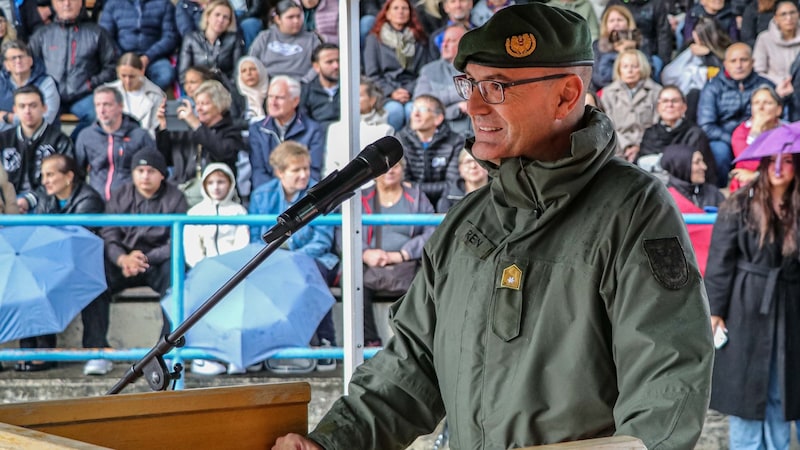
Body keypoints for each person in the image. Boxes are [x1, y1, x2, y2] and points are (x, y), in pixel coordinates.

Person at [273, 3, 713, 449]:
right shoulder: (467, 221)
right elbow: (409, 371)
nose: (473, 105)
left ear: (565, 95)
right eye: (470, 85)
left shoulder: (633, 210)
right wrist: (331, 442)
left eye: (498, 87)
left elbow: (666, 392)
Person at [705, 152, 800, 450]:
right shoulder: (739, 205)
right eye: (773, 160)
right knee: (746, 390)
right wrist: (715, 312)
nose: (779, 167)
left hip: (790, 307)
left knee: (780, 389)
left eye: (787, 160)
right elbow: (720, 261)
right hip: (746, 305)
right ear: (762, 164)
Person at [94, 148, 188, 376]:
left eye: (151, 171)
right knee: (95, 279)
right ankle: (96, 351)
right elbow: (109, 233)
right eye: (140, 170)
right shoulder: (119, 195)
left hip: (156, 262)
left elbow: (178, 240)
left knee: (177, 277)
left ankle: (165, 351)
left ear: (162, 175)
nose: (145, 176)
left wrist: (147, 258)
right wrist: (122, 258)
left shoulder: (175, 197)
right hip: (124, 262)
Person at [249, 141, 339, 372]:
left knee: (311, 274)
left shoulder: (320, 194)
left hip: (312, 258)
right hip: (274, 260)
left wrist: (294, 259)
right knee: (258, 278)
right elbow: (255, 238)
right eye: (296, 170)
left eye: (306, 169)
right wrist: (279, 260)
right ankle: (261, 346)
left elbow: (322, 239)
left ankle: (325, 342)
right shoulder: (261, 196)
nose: (303, 175)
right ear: (280, 173)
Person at [19, 153, 105, 372]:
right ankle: (32, 352)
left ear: (68, 176)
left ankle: (96, 351)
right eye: (43, 175)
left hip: (82, 265)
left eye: (50, 174)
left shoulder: (89, 199)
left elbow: (77, 240)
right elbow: (41, 234)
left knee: (95, 292)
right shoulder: (46, 197)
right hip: (53, 261)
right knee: (29, 281)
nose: (45, 180)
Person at [345, 157, 436, 348]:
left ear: (402, 170)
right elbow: (343, 231)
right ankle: (369, 342)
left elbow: (432, 230)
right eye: (385, 168)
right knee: (353, 281)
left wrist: (404, 253)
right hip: (370, 263)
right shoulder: (360, 198)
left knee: (426, 284)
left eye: (396, 166)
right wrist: (365, 253)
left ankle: (414, 344)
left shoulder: (416, 196)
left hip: (408, 262)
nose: (391, 171)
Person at [184, 162, 250, 376]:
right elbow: (192, 249)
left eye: (221, 181)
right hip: (203, 273)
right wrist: (207, 270)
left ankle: (235, 356)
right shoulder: (195, 213)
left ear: (230, 184)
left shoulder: (239, 211)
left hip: (233, 273)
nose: (216, 187)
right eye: (211, 182)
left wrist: (228, 270)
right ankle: (204, 357)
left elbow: (242, 244)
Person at [28, 0, 117, 140]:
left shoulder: (97, 33)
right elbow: (31, 66)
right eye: (61, 0)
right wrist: (45, 85)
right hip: (51, 95)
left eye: (72, 0)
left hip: (84, 94)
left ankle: (72, 145)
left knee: (98, 114)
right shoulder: (42, 34)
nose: (67, 4)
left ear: (81, 3)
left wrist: (90, 84)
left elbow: (112, 66)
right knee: (37, 115)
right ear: (53, 4)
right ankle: (53, 152)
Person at [697, 42, 775, 187]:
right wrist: (735, 140)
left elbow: (780, 119)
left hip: (762, 136)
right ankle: (718, 192)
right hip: (724, 138)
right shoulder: (712, 87)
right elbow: (706, 126)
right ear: (725, 64)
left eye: (744, 60)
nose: (739, 65)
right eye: (733, 61)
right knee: (719, 152)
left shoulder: (766, 86)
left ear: (752, 62)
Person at [158, 79, 246, 206]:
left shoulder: (231, 131)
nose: (198, 109)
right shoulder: (187, 130)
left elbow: (223, 152)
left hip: (215, 197)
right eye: (197, 103)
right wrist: (163, 127)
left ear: (219, 105)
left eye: (204, 104)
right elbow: (164, 159)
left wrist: (196, 125)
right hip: (181, 194)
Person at [0, 85, 74, 214]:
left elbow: (64, 181)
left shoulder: (59, 140)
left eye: (33, 105)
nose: (27, 111)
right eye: (22, 106)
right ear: (15, 110)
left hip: (47, 205)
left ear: (44, 108)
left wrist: (29, 200)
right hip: (7, 203)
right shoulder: (3, 139)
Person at [75, 86, 156, 201]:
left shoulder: (140, 136)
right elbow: (78, 173)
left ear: (120, 106)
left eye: (107, 105)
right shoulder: (86, 136)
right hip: (96, 204)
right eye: (98, 105)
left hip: (130, 205)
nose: (102, 110)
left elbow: (154, 170)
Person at [362, 0, 432, 132]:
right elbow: (372, 74)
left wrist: (408, 91)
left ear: (410, 13)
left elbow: (424, 72)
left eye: (404, 8)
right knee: (394, 111)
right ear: (387, 13)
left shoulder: (420, 39)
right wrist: (392, 92)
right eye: (395, 8)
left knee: (413, 111)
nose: (400, 11)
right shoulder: (374, 39)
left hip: (413, 91)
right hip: (385, 93)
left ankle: (412, 151)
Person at [248, 75, 324, 189]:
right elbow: (258, 171)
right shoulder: (257, 129)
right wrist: (277, 196)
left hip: (301, 197)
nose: (273, 102)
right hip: (269, 197)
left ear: (295, 101)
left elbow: (313, 171)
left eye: (279, 98)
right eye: (270, 96)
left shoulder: (313, 130)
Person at [660, 144, 722, 276]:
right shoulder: (664, 198)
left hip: (715, 265)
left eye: (703, 161)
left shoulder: (714, 193)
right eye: (697, 162)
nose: (704, 167)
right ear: (681, 165)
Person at [639, 85, 717, 185]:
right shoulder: (650, 133)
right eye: (665, 101)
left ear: (684, 107)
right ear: (658, 107)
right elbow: (642, 167)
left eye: (674, 101)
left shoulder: (695, 134)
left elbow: (700, 170)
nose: (669, 105)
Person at [395, 94, 464, 206]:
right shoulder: (401, 139)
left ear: (438, 118)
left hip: (445, 203)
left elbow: (452, 184)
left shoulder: (455, 141)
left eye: (423, 110)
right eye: (414, 108)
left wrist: (415, 187)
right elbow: (403, 183)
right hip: (411, 202)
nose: (415, 114)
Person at [99, 0, 179, 91]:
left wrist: (148, 57)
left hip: (153, 57)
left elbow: (170, 37)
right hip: (121, 56)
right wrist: (125, 58)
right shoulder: (112, 4)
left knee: (166, 74)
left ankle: (148, 99)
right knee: (108, 75)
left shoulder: (164, 4)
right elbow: (106, 37)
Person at [323, 76, 394, 177]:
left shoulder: (385, 130)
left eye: (359, 95)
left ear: (372, 100)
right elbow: (329, 167)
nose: (352, 100)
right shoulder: (334, 129)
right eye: (350, 95)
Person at [600, 48, 661, 162]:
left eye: (634, 66)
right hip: (616, 147)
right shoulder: (608, 93)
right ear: (619, 69)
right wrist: (626, 146)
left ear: (642, 68)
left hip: (648, 147)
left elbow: (657, 124)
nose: (630, 71)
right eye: (625, 66)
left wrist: (639, 146)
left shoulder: (656, 91)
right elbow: (607, 126)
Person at [414, 23, 472, 137]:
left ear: (465, 45)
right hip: (442, 136)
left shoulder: (477, 69)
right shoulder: (429, 70)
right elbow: (420, 103)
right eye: (443, 41)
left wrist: (441, 100)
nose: (444, 45)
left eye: (451, 41)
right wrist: (456, 107)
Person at [248, 0, 322, 80]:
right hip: (267, 84)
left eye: (298, 16)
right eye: (290, 17)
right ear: (278, 19)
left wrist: (304, 81)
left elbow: (318, 65)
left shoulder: (312, 39)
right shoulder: (265, 37)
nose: (296, 21)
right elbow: (251, 61)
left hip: (301, 85)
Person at [730, 84, 784, 192]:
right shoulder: (741, 132)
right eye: (756, 103)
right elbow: (746, 161)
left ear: (778, 110)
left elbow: (785, 164)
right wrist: (755, 132)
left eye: (767, 103)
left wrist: (757, 175)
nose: (761, 108)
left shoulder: (786, 132)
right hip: (747, 183)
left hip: (779, 180)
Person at [178, 0, 244, 85]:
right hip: (198, 89)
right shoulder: (191, 39)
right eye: (217, 15)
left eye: (225, 17)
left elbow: (237, 72)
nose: (220, 20)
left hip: (225, 89)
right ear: (208, 16)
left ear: (229, 22)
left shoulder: (234, 39)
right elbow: (184, 74)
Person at [0, 40, 60, 132]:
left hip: (42, 140)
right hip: (5, 140)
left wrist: (9, 118)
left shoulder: (46, 83)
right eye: (13, 58)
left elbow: (46, 119)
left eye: (21, 57)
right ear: (6, 65)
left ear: (30, 61)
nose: (18, 61)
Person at [105, 52, 167, 139]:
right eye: (123, 76)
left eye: (132, 76)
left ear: (141, 71)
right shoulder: (108, 92)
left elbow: (155, 131)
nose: (127, 81)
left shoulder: (155, 95)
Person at [752, 0, 800, 93]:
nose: (789, 18)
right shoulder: (764, 39)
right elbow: (758, 70)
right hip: (773, 89)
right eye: (783, 14)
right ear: (776, 18)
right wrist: (781, 83)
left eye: (792, 13)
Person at [590, 4, 639, 92]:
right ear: (606, 25)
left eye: (619, 20)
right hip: (605, 91)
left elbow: (645, 72)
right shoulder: (597, 45)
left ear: (628, 22)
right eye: (612, 21)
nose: (616, 23)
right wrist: (619, 54)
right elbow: (598, 78)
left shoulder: (638, 43)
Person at [299, 43, 340, 130]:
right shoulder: (306, 91)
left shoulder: (354, 89)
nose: (336, 66)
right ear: (316, 66)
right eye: (329, 62)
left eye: (338, 61)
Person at [437, 148, 489, 212]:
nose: (473, 166)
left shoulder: (500, 191)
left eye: (478, 161)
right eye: (468, 162)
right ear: (460, 168)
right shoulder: (449, 196)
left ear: (488, 165)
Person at [235, 56, 269, 123]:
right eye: (244, 71)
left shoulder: (272, 93)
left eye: (253, 69)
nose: (249, 73)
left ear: (261, 70)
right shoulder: (235, 95)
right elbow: (234, 121)